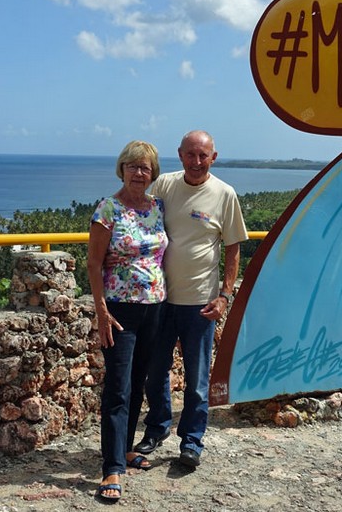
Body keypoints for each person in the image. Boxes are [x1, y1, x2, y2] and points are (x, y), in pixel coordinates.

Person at [134, 130, 248, 469]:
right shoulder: (164, 186)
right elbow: (138, 216)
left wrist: (225, 295)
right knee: (155, 373)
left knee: (197, 381)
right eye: (190, 155)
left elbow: (233, 248)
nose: (196, 162)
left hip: (201, 302)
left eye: (203, 156)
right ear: (180, 155)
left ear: (214, 157)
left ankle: (192, 442)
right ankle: (156, 429)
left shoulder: (225, 194)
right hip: (159, 299)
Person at [87, 140, 168, 502]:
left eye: (145, 167)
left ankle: (125, 448)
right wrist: (101, 311)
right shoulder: (108, 209)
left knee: (138, 383)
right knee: (118, 387)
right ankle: (112, 466)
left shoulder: (157, 207)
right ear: (121, 169)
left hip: (155, 307)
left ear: (153, 173)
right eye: (132, 166)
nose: (138, 172)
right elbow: (93, 263)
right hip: (120, 310)